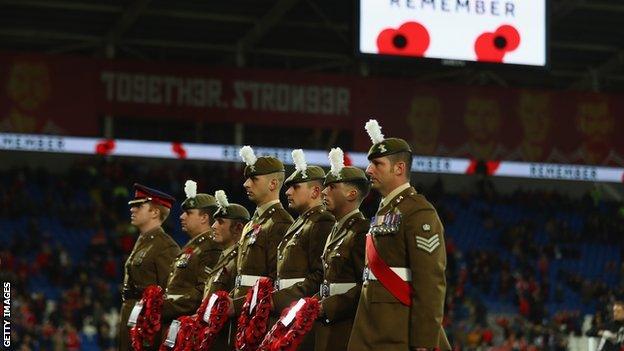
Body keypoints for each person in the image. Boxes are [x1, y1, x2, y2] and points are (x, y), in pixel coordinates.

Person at [348, 120, 451, 351]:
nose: (368, 170)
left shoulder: (418, 211)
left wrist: (424, 341)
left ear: (399, 168)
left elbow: (430, 282)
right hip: (373, 327)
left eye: (377, 163)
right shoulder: (386, 209)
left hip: (397, 332)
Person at [270, 149, 336, 350]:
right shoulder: (301, 222)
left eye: (295, 187)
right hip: (289, 313)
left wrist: (280, 300)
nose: (287, 192)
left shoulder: (322, 221)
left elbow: (320, 275)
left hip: (301, 317)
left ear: (315, 191)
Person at [315, 147, 370, 351]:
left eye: (332, 187)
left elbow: (366, 287)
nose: (323, 191)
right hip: (328, 324)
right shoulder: (337, 228)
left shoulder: (361, 231)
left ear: (351, 193)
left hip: (346, 329)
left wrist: (328, 307)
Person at [229, 146, 293, 319]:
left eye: (253, 179)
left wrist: (237, 304)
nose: (246, 184)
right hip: (243, 309)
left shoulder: (281, 222)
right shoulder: (253, 223)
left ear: (273, 183)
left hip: (258, 315)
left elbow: (275, 277)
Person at [119, 183, 180, 351]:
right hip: (132, 318)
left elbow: (170, 292)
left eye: (139, 206)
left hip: (146, 329)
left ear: (155, 212)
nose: (133, 209)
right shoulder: (144, 241)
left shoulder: (166, 246)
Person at [160, 180, 223, 326]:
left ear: (204, 218)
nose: (181, 217)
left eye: (188, 213)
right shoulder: (195, 246)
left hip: (190, 323)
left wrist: (166, 307)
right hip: (178, 320)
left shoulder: (211, 247)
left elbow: (203, 291)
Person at [201, 190, 250, 350]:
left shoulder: (240, 260)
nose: (213, 226)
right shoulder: (223, 258)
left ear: (238, 228)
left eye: (220, 221)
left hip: (226, 339)